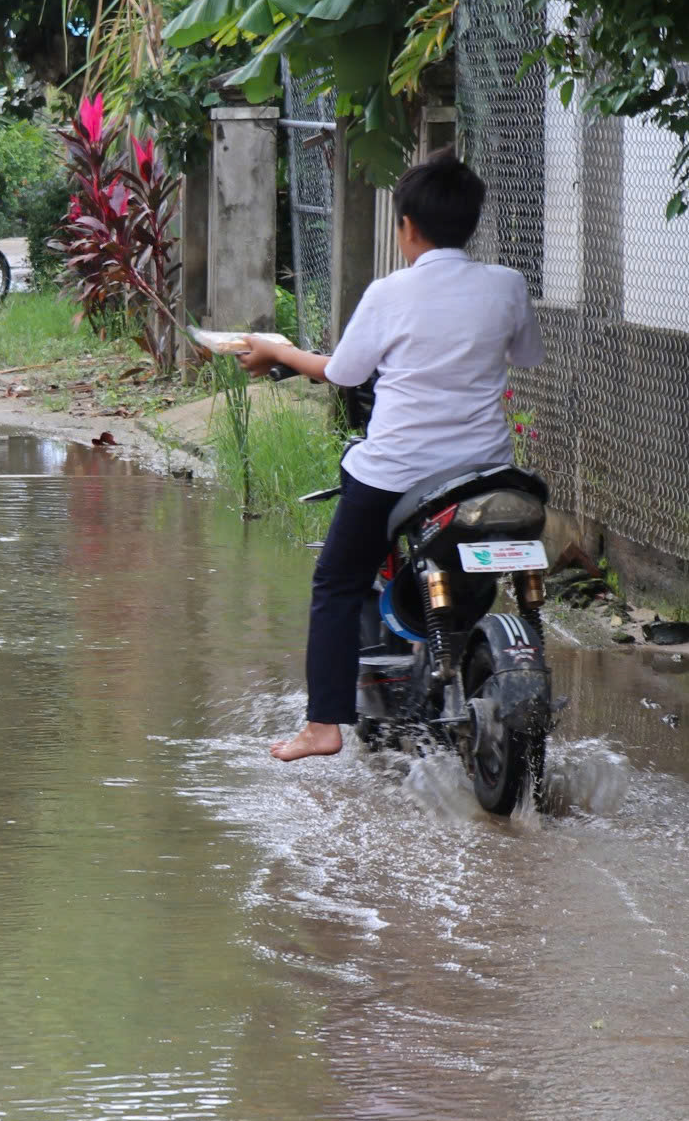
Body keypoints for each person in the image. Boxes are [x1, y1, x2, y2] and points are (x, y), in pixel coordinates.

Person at [222, 152, 542, 763]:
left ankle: (322, 726)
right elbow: (525, 356)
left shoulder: (389, 293)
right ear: (471, 224)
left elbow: (342, 374)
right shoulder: (508, 285)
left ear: (407, 228)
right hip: (486, 474)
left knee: (337, 583)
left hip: (397, 474)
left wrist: (278, 351)